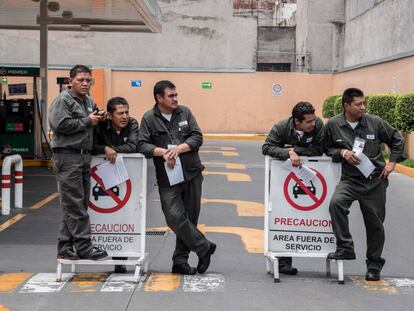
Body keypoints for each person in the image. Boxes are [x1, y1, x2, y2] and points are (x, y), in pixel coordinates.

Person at [324, 87, 404, 281]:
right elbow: (326, 147)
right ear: (346, 106)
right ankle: (345, 247)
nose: (363, 107)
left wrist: (392, 161)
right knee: (336, 204)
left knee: (375, 225)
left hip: (374, 181)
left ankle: (374, 266)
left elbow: (396, 139)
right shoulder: (334, 124)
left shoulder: (374, 122)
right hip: (350, 180)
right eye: (358, 104)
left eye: (364, 103)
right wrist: (342, 153)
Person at [138, 80, 216, 275]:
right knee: (174, 217)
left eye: (175, 95)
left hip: (191, 174)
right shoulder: (148, 118)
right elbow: (142, 145)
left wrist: (180, 148)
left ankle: (180, 261)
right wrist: (162, 152)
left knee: (190, 218)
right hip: (167, 178)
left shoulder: (185, 112)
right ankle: (204, 247)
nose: (175, 99)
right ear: (159, 98)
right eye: (171, 96)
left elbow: (197, 137)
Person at [48, 64, 108, 260]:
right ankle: (84, 246)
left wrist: (101, 117)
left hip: (83, 156)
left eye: (88, 80)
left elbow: (93, 118)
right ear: (70, 81)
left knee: (78, 204)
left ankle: (65, 246)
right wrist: (87, 121)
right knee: (74, 204)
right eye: (80, 80)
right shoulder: (63, 100)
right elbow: (60, 124)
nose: (84, 83)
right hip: (67, 156)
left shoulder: (88, 100)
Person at [262, 101, 324, 275]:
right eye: (309, 121)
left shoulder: (318, 125)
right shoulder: (282, 126)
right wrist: (288, 153)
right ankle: (283, 263)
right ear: (297, 121)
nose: (314, 123)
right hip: (282, 177)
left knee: (305, 217)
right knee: (282, 215)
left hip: (309, 177)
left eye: (314, 119)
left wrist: (295, 150)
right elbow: (266, 147)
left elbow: (319, 149)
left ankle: (319, 249)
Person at [92, 96, 139, 273]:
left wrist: (111, 149)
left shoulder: (133, 124)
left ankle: (121, 259)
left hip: (129, 178)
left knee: (126, 215)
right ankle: (101, 252)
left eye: (126, 112)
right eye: (120, 113)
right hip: (104, 179)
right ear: (110, 116)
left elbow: (134, 146)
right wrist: (104, 149)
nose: (125, 116)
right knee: (106, 217)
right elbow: (91, 145)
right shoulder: (101, 127)